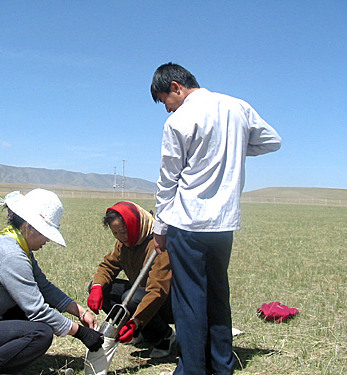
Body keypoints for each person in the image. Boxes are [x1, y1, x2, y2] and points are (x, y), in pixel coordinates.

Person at [150, 63, 282, 375]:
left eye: (165, 101)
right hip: (224, 224)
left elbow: (168, 180)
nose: (167, 110)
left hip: (188, 223)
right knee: (218, 295)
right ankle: (222, 365)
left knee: (189, 300)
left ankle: (193, 368)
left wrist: (160, 226)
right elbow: (271, 140)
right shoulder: (238, 106)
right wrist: (231, 147)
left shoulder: (179, 121)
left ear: (176, 86)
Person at [0, 189, 103, 375]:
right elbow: (37, 310)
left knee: (26, 315)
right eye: (46, 233)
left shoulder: (16, 244)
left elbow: (43, 287)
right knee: (39, 334)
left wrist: (80, 312)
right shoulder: (11, 254)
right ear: (29, 227)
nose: (47, 239)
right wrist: (81, 333)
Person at [87, 201, 175, 358]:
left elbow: (157, 291)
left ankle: (163, 336)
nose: (121, 237)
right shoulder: (124, 244)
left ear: (135, 224)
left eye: (124, 232)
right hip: (142, 292)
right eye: (116, 233)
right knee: (103, 288)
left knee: (132, 298)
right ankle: (140, 334)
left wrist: (136, 321)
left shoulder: (159, 244)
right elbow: (108, 266)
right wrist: (97, 287)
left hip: (168, 301)